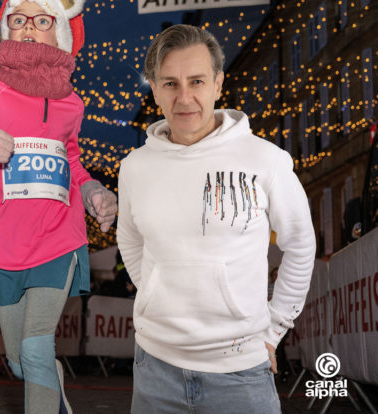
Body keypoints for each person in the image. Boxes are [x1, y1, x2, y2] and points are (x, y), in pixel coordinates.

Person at [117, 24, 316, 413]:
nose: (185, 97)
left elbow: (300, 244)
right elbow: (130, 239)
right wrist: (159, 291)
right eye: (170, 84)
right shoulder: (134, 168)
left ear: (218, 84)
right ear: (154, 89)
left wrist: (274, 329)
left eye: (197, 81)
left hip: (241, 373)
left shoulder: (265, 159)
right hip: (154, 369)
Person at [0, 1, 117, 412]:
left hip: (59, 239)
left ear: (59, 31)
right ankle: (51, 389)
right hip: (1, 245)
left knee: (36, 347)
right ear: (8, 27)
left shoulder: (72, 102)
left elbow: (72, 161)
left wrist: (93, 191)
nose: (28, 28)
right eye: (18, 19)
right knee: (21, 361)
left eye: (41, 20)